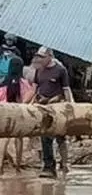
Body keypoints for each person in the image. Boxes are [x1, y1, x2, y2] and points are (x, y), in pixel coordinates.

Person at [33, 47, 73, 178]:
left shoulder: (61, 70)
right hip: (43, 108)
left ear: (50, 56)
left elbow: (66, 90)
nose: (40, 59)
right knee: (45, 137)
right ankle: (49, 167)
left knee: (61, 137)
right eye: (38, 57)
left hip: (57, 108)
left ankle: (65, 164)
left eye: (42, 57)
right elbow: (34, 89)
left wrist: (70, 107)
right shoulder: (38, 70)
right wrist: (26, 105)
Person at [0, 35, 27, 171]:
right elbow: (28, 99)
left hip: (6, 112)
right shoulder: (25, 84)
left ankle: (1, 164)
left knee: (4, 138)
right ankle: (17, 164)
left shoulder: (4, 85)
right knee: (18, 138)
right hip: (20, 113)